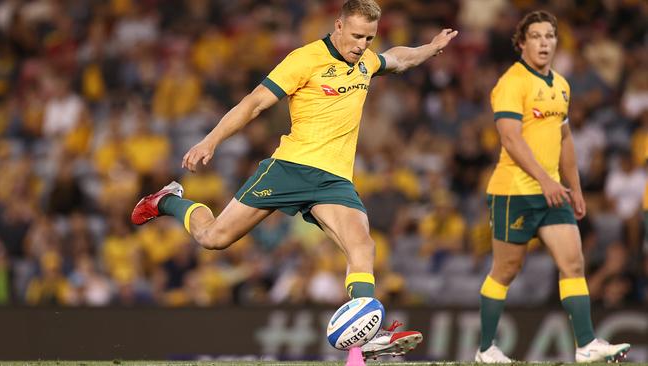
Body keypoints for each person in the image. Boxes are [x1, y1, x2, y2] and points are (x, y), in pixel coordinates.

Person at [131, 0, 458, 358]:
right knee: (214, 238)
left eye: (369, 38)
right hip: (290, 168)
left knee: (363, 245)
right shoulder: (304, 59)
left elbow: (399, 59)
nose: (362, 45)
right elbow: (254, 103)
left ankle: (369, 336)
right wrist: (211, 140)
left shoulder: (365, 60)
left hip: (333, 181)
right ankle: (167, 199)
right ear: (338, 26)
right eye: (356, 36)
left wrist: (431, 48)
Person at [475, 10, 630, 363]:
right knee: (506, 270)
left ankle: (586, 344)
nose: (544, 43)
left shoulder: (561, 84)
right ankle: (485, 349)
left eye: (550, 36)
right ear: (521, 43)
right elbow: (511, 140)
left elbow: (565, 139)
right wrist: (545, 180)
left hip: (553, 193)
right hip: (514, 191)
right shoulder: (511, 83)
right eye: (536, 36)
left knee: (573, 263)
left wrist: (574, 187)